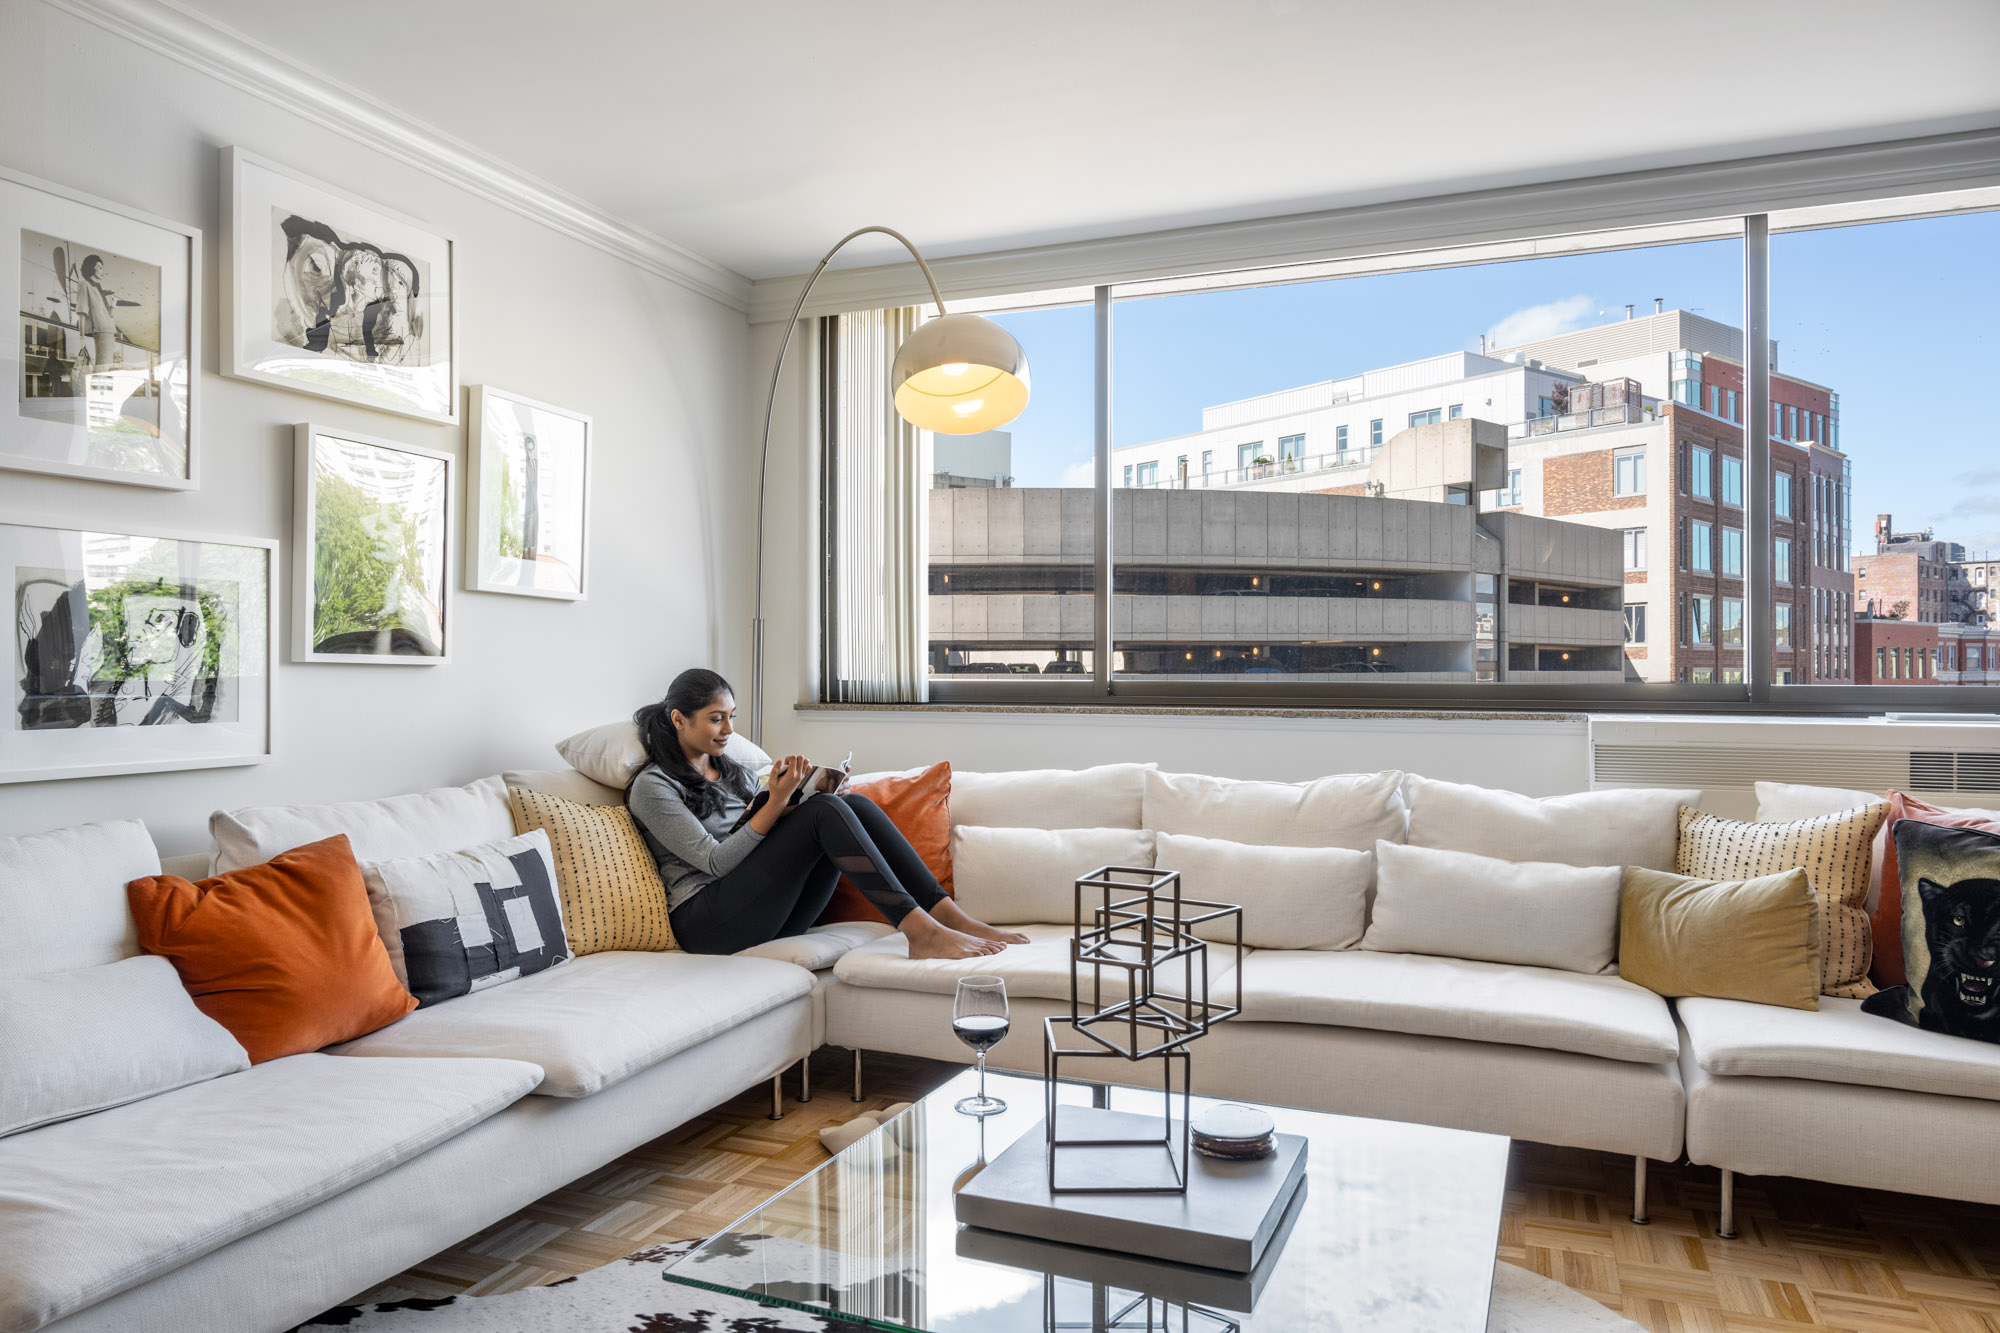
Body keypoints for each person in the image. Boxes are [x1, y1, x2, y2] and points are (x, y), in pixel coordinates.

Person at [627, 669, 1028, 959]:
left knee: (846, 804)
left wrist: (805, 795)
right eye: (716, 718)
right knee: (823, 813)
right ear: (679, 719)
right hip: (709, 924)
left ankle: (949, 916)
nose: (728, 729)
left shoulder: (734, 771)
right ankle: (919, 931)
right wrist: (781, 804)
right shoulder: (654, 787)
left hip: (766, 914)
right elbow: (715, 863)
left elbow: (761, 835)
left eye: (732, 716)